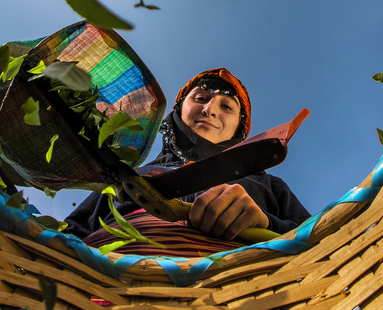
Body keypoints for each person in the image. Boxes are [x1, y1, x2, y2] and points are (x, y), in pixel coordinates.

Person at [64, 68, 311, 256]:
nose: (210, 110)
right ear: (179, 110)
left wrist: (266, 223)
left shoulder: (269, 185)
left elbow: (320, 244)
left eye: (226, 106)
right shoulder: (131, 176)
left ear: (239, 129)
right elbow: (70, 236)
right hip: (103, 286)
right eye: (201, 98)